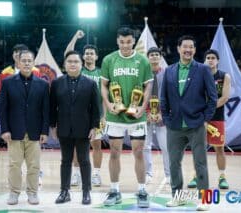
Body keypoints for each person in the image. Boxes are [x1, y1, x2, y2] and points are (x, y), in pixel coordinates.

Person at [160, 35, 217, 210]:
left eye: (191, 47)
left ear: (194, 50)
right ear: (178, 49)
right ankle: (177, 196)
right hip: (174, 126)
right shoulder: (169, 71)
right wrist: (167, 119)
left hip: (196, 125)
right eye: (185, 47)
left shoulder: (203, 70)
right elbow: (163, 99)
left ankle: (205, 200)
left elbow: (213, 98)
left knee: (200, 163)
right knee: (173, 163)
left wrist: (205, 119)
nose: (188, 50)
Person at [100, 27, 153, 208]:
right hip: (115, 116)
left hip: (136, 116)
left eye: (128, 42)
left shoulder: (143, 61)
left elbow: (148, 87)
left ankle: (142, 190)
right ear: (117, 41)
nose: (125, 45)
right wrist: (108, 105)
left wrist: (143, 107)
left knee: (139, 152)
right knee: (114, 152)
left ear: (133, 41)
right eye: (122, 42)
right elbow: (104, 85)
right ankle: (114, 190)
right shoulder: (109, 60)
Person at [0, 50, 49, 205]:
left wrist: (44, 131)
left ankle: (32, 193)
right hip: (14, 132)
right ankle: (14, 193)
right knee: (14, 165)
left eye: (29, 60)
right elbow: (3, 109)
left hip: (34, 132)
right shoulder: (7, 83)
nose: (27, 63)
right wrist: (5, 129)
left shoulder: (43, 84)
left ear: (34, 63)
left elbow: (45, 110)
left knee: (34, 165)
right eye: (24, 60)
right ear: (18, 63)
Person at [50, 50, 100, 205]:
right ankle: (64, 191)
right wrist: (52, 125)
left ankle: (86, 192)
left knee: (84, 160)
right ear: (65, 65)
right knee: (65, 161)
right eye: (70, 61)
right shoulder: (56, 83)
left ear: (81, 64)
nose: (73, 64)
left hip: (83, 128)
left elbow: (96, 109)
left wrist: (94, 127)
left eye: (76, 62)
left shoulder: (91, 83)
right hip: (63, 128)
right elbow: (52, 107)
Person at [65, 30, 105, 187]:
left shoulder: (102, 73)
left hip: (96, 115)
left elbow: (104, 95)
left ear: (96, 57)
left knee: (96, 145)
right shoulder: (78, 70)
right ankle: (76, 174)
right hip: (79, 115)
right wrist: (75, 37)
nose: (89, 56)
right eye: (86, 53)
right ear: (83, 56)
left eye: (91, 54)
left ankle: (96, 174)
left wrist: (104, 115)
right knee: (77, 145)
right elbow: (68, 53)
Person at [187, 49, 231, 190]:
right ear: (205, 60)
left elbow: (224, 98)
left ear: (217, 61)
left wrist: (209, 109)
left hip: (217, 118)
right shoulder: (198, 76)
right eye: (208, 57)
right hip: (200, 118)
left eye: (213, 57)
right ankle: (195, 176)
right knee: (198, 149)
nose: (210, 60)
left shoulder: (224, 76)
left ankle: (222, 177)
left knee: (219, 149)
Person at [143, 47, 170, 185]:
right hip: (145, 116)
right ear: (148, 58)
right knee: (145, 147)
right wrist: (145, 112)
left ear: (160, 58)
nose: (154, 57)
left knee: (165, 147)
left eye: (156, 55)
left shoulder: (167, 74)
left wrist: (162, 113)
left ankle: (169, 175)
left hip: (162, 116)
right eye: (151, 54)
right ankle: (147, 173)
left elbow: (170, 96)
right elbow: (138, 95)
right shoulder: (142, 74)